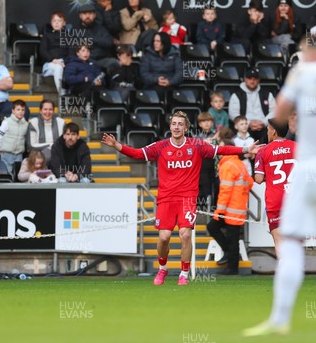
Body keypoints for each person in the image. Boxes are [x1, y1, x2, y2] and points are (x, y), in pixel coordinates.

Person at [243, 38, 316, 337]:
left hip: (311, 166)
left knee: (292, 242)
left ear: (310, 52)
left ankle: (280, 320)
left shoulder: (304, 74)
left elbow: (281, 116)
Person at [101, 111, 263, 285]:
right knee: (164, 237)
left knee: (185, 235)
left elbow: (221, 149)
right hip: (166, 198)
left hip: (187, 198)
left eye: (180, 124)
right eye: (174, 124)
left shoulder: (196, 146)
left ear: (186, 128)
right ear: (170, 127)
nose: (176, 127)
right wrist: (117, 145)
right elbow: (137, 153)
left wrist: (246, 149)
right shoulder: (161, 146)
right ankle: (162, 269)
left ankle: (184, 274)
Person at [207, 137, 253, 275]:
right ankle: (230, 258)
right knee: (231, 237)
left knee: (218, 231)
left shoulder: (227, 165)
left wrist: (219, 210)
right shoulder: (239, 164)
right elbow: (249, 183)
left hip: (229, 208)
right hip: (238, 207)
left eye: (221, 147)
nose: (219, 150)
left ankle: (232, 268)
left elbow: (225, 190)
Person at [253, 119, 295, 256]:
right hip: (295, 198)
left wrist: (269, 175)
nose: (267, 132)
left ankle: (284, 271)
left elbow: (258, 179)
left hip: (275, 200)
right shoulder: (298, 147)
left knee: (279, 241)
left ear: (274, 131)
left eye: (268, 130)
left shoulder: (263, 151)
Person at [228, 67, 277, 142]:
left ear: (258, 80)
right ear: (245, 79)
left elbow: (274, 111)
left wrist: (264, 123)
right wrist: (248, 123)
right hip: (245, 127)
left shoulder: (267, 94)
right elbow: (233, 114)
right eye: (249, 78)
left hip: (265, 127)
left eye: (255, 78)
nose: (252, 80)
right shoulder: (237, 95)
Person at [139, 32, 183, 97]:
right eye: (154, 41)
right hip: (152, 86)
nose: (155, 43)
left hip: (170, 86)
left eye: (158, 41)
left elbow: (180, 73)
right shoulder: (148, 55)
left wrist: (170, 82)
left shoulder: (175, 55)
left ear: (164, 43)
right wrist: (156, 80)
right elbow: (144, 73)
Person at [76, 3, 116, 69]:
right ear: (80, 16)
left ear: (94, 15)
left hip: (101, 60)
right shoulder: (76, 30)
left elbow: (109, 43)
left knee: (113, 62)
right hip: (83, 61)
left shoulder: (101, 28)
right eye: (85, 14)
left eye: (90, 13)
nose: (87, 16)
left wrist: (92, 39)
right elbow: (74, 49)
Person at [0, 100, 28, 176]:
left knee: (17, 173)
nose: (20, 112)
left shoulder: (26, 124)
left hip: (19, 154)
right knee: (7, 172)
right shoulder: (7, 122)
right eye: (18, 109)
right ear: (13, 111)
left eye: (22, 110)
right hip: (7, 153)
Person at [40, 11, 70, 95]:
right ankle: (62, 95)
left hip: (65, 63)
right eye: (54, 21)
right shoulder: (47, 36)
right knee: (58, 67)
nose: (56, 23)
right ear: (51, 23)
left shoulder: (69, 36)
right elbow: (43, 51)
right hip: (50, 64)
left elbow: (72, 51)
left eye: (59, 21)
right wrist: (53, 60)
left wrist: (65, 61)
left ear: (64, 23)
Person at [195, 112, 217, 210]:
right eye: (204, 121)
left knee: (215, 188)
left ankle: (212, 208)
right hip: (202, 166)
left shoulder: (217, 136)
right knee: (204, 187)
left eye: (208, 121)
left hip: (215, 165)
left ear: (212, 122)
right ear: (200, 124)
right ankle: (202, 208)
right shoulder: (197, 137)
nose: (207, 123)